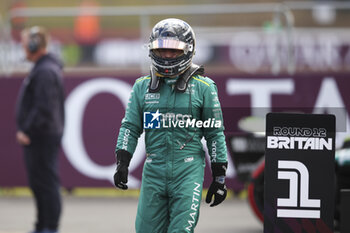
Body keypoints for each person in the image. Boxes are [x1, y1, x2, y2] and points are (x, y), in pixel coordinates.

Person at [113, 18, 228, 233]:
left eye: (173, 51)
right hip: (153, 171)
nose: (166, 56)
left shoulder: (205, 87)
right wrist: (122, 162)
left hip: (188, 172)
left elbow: (215, 134)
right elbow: (130, 127)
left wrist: (219, 176)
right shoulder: (141, 87)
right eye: (161, 50)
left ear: (188, 50)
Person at [16, 26, 65, 233]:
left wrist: (27, 130)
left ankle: (49, 227)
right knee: (39, 184)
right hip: (41, 134)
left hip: (40, 135)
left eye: (25, 43)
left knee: (45, 184)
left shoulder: (45, 70)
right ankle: (42, 225)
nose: (23, 47)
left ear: (35, 44)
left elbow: (43, 107)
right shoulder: (43, 68)